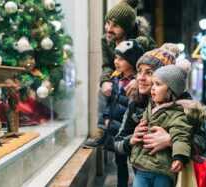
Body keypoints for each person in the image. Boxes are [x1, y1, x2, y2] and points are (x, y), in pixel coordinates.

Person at [83, 0, 157, 147]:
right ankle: (103, 130)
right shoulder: (106, 39)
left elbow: (156, 67)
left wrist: (138, 79)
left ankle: (142, 133)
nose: (109, 29)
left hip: (141, 81)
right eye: (107, 23)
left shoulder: (144, 41)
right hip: (120, 77)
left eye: (115, 25)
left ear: (127, 28)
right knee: (102, 88)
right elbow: (107, 65)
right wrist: (105, 81)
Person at [89, 39, 145, 187]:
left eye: (121, 59)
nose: (116, 62)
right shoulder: (115, 79)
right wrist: (107, 117)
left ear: (132, 61)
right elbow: (111, 102)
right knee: (120, 164)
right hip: (116, 132)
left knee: (135, 163)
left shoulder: (137, 84)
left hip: (131, 132)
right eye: (115, 58)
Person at [130, 63, 196, 186]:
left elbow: (181, 135)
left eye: (158, 84)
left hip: (163, 169)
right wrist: (133, 139)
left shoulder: (178, 113)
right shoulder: (151, 107)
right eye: (153, 84)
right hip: (142, 167)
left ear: (170, 90)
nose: (153, 88)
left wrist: (179, 157)